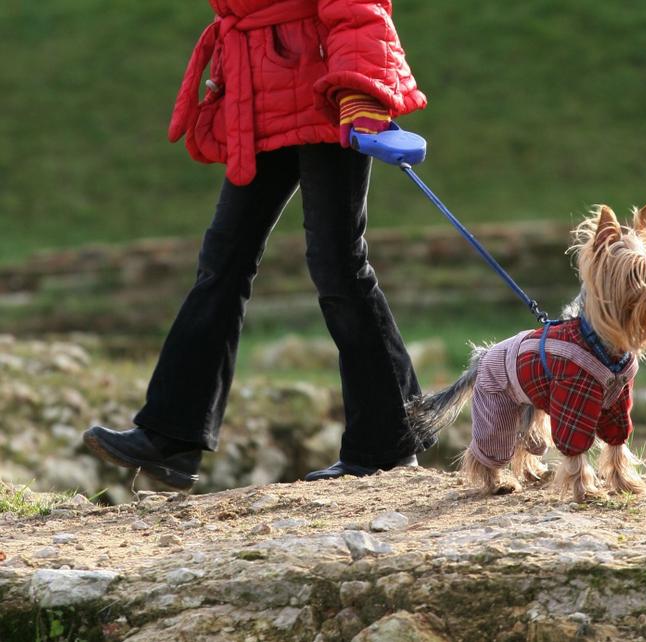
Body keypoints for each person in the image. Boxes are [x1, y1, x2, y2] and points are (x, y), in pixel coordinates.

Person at [82, 0, 433, 490]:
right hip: (261, 102)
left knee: (338, 266)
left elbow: (357, 9)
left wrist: (361, 91)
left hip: (326, 96)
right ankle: (170, 437)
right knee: (221, 263)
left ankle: (388, 445)